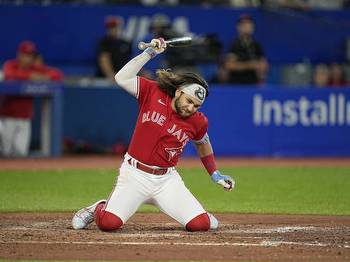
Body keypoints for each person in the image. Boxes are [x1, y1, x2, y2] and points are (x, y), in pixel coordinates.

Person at [72, 38, 235, 232]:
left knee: (201, 225)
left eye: (196, 105)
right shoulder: (153, 92)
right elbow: (121, 78)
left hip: (166, 181)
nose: (190, 108)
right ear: (178, 92)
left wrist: (214, 173)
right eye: (189, 101)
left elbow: (202, 143)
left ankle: (197, 213)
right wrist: (150, 53)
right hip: (135, 175)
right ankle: (98, 207)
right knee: (108, 223)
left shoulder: (198, 121)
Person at [0, 40, 63, 157]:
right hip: (8, 117)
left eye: (30, 55)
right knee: (5, 152)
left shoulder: (34, 68)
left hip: (25, 119)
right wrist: (30, 77)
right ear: (19, 54)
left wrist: (45, 77)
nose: (27, 58)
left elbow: (57, 74)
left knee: (21, 153)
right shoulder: (11, 65)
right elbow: (9, 75)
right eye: (25, 55)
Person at [223, 14, 269, 85]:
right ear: (238, 27)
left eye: (249, 25)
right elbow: (229, 65)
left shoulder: (256, 45)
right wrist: (249, 65)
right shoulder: (234, 45)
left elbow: (263, 63)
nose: (247, 27)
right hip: (237, 84)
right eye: (244, 25)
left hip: (253, 84)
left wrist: (262, 69)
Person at [95, 16, 132, 83]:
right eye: (110, 27)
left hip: (124, 78)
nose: (112, 29)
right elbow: (104, 59)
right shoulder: (104, 42)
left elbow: (131, 61)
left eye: (114, 27)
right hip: (106, 79)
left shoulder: (126, 43)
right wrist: (111, 75)